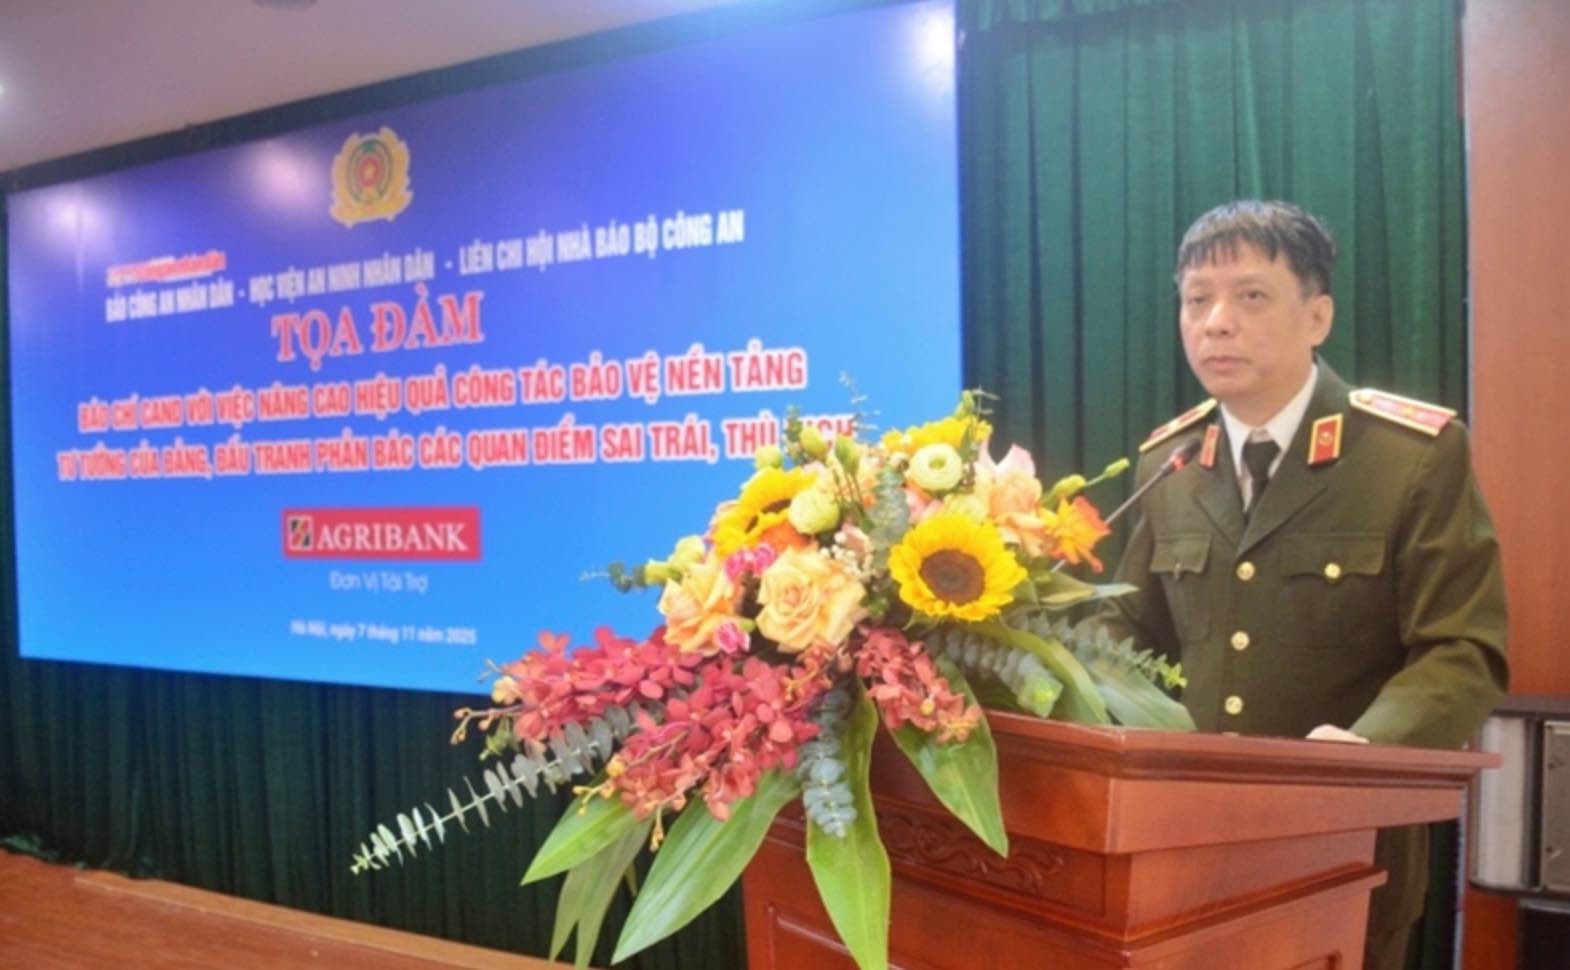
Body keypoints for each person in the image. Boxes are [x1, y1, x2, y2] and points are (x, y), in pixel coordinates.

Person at [1104, 199, 1509, 970]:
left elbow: (1462, 649)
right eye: (1197, 300)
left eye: (1250, 296)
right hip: (1181, 856)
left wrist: (1358, 754)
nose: (1215, 322)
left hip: (1344, 861)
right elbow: (1130, 637)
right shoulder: (1174, 461)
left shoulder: (1409, 455)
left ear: (1317, 315)